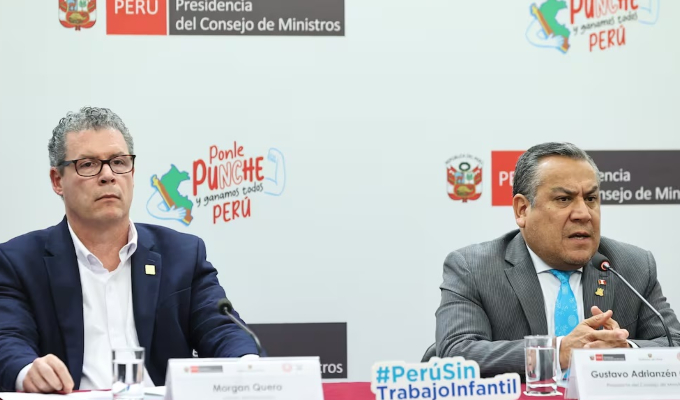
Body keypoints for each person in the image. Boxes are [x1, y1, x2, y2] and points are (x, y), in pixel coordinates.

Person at [0, 107, 260, 393]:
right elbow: (8, 340)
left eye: (119, 162)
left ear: (132, 173)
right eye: (88, 164)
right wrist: (28, 371)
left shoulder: (182, 254)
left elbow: (221, 327)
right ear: (57, 180)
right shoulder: (19, 263)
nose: (108, 175)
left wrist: (248, 367)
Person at [435, 142, 680, 378]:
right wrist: (557, 352)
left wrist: (625, 350)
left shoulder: (632, 266)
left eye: (591, 199)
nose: (583, 214)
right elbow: (456, 352)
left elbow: (674, 343)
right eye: (564, 199)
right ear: (522, 210)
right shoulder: (473, 269)